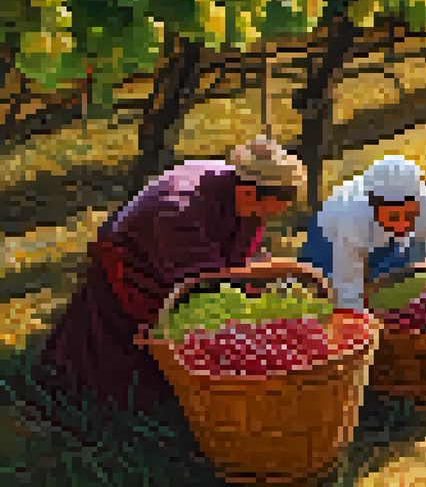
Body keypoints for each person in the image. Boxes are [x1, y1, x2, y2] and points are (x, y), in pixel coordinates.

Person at [43, 137, 306, 413]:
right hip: (135, 267)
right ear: (251, 193)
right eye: (268, 210)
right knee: (117, 355)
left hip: (179, 263)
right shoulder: (178, 210)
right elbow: (207, 285)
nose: (265, 220)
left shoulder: (237, 188)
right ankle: (76, 401)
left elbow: (238, 260)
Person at [299, 156, 426, 312]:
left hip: (381, 241)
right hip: (327, 243)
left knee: (393, 289)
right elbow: (348, 287)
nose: (403, 224)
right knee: (323, 296)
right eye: (394, 217)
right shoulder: (351, 216)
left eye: (410, 215)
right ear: (373, 207)